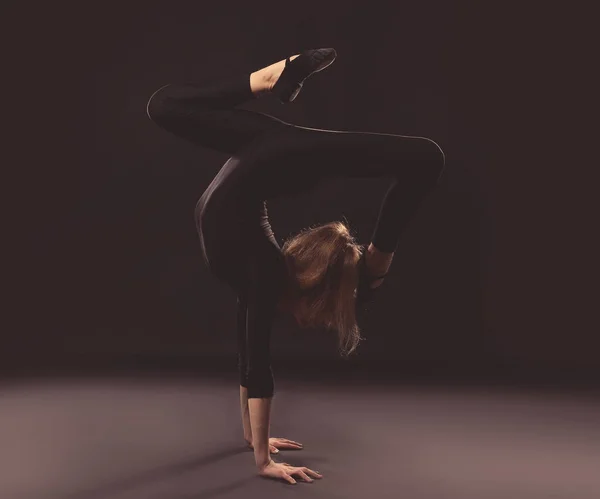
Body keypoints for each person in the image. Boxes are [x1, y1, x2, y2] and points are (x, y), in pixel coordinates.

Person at [146, 48, 445, 485]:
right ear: (316, 291)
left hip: (266, 153)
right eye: (327, 313)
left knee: (163, 106)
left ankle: (267, 79)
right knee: (426, 158)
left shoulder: (257, 274)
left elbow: (248, 355)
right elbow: (260, 367)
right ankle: (377, 265)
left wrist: (255, 438)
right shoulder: (265, 275)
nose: (315, 323)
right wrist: (264, 463)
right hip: (283, 158)